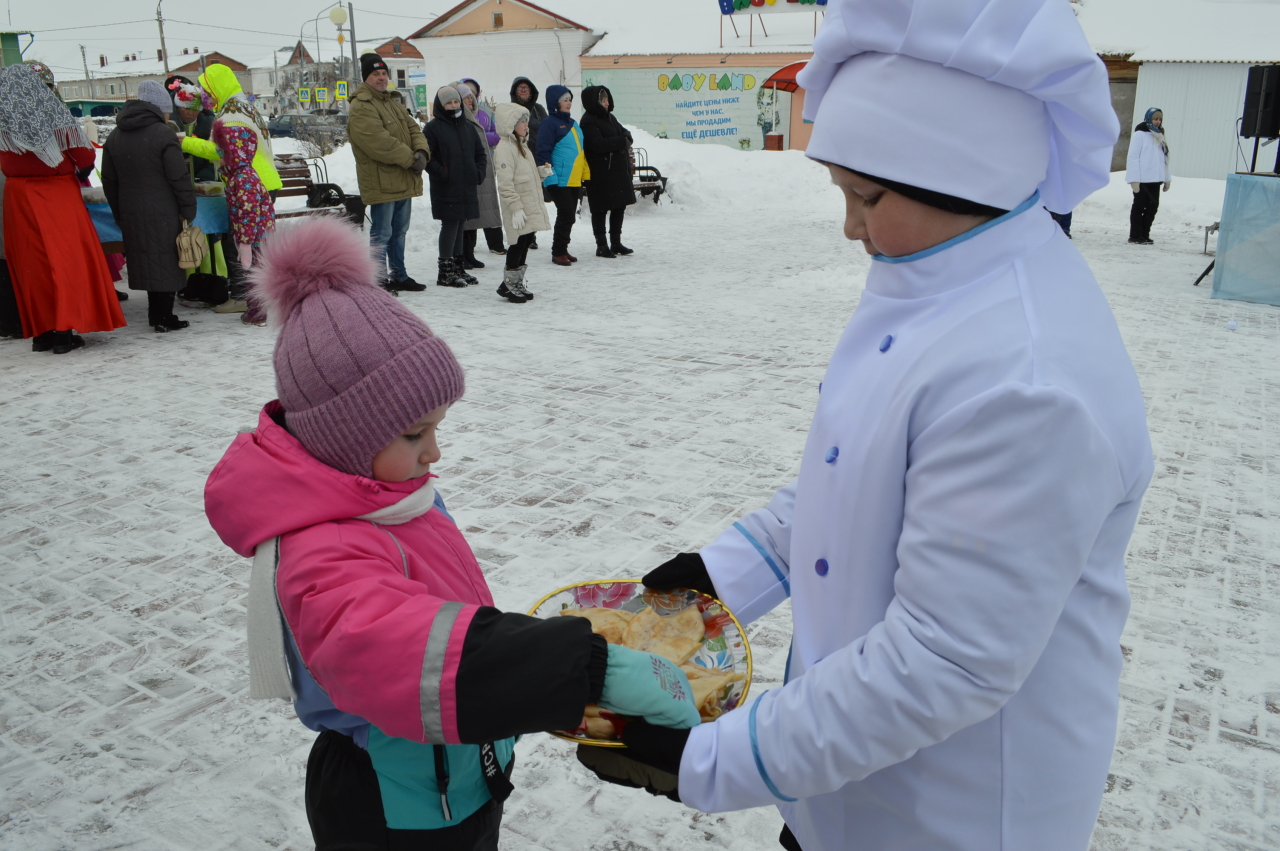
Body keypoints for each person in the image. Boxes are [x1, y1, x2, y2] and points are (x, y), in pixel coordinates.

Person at [576, 3, 1155, 851]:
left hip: (948, 812)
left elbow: (942, 661)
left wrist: (706, 758)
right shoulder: (940, 272)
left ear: (963, 175)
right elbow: (858, 479)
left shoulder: (1028, 382)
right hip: (844, 783)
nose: (850, 224)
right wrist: (725, 570)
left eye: (866, 196)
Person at [204, 215, 701, 851]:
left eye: (437, 427)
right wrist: (581, 668)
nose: (434, 452)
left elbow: (445, 612)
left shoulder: (385, 496)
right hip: (390, 805)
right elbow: (394, 644)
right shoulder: (320, 544)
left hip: (451, 774)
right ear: (342, 439)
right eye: (414, 435)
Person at [0, 62, 124, 354]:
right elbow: (83, 154)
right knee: (65, 262)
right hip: (56, 194)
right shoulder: (49, 112)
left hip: (18, 196)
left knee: (31, 266)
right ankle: (63, 331)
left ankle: (41, 331)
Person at [183, 63, 282, 317]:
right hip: (262, 182)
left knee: (241, 243)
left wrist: (186, 142)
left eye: (206, 88)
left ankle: (243, 297)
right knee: (257, 244)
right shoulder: (243, 105)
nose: (204, 95)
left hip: (247, 183)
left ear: (217, 86)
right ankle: (261, 295)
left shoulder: (231, 115)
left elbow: (218, 150)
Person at [101, 80, 198, 333]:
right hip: (163, 209)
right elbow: (179, 177)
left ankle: (157, 315)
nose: (168, 116)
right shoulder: (162, 133)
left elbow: (109, 180)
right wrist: (188, 208)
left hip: (132, 210)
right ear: (159, 108)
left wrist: (119, 212)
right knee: (165, 261)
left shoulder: (115, 135)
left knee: (149, 260)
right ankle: (163, 316)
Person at [348, 53, 431, 293]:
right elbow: (377, 142)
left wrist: (422, 152)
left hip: (403, 176)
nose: (382, 78)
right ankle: (378, 279)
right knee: (382, 233)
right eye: (376, 74)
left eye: (384, 73)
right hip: (382, 179)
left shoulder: (391, 102)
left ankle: (399, 275)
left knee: (399, 232)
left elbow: (414, 128)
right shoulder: (362, 106)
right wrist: (410, 159)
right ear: (367, 77)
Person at [424, 86, 487, 289]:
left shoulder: (467, 127)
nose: (454, 106)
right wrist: (444, 175)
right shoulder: (433, 128)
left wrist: (478, 173)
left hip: (466, 184)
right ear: (442, 106)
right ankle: (445, 270)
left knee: (461, 223)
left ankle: (458, 267)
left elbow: (480, 153)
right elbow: (428, 157)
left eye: (456, 102)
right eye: (449, 103)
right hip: (446, 186)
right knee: (450, 224)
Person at [212, 118, 275, 315]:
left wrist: (246, 243)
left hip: (255, 238)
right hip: (253, 236)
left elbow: (248, 213)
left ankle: (257, 314)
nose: (218, 155)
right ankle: (257, 310)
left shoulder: (244, 179)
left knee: (252, 276)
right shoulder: (236, 175)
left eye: (222, 151)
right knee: (252, 274)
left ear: (235, 154)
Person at [492, 103, 550, 303]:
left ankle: (515, 282)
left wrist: (541, 173)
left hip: (528, 206)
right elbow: (505, 183)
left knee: (525, 241)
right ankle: (509, 284)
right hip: (518, 208)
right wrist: (515, 208)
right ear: (510, 124)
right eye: (522, 122)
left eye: (526, 121)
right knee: (517, 243)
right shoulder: (505, 148)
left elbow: (526, 175)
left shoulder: (522, 146)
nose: (527, 125)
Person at [579, 86, 636, 258]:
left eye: (606, 100)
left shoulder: (610, 117)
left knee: (619, 206)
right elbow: (598, 144)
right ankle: (602, 245)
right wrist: (621, 141)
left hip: (617, 170)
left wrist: (623, 139)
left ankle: (616, 243)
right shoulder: (588, 120)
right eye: (601, 100)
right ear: (593, 102)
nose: (605, 103)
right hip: (600, 172)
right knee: (600, 209)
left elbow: (626, 133)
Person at [536, 85, 588, 267]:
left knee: (569, 215)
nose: (568, 103)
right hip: (558, 179)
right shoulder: (549, 123)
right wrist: (550, 178)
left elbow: (580, 151)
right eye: (564, 100)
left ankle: (563, 248)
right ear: (555, 103)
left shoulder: (574, 124)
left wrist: (585, 173)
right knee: (566, 214)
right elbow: (543, 152)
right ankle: (557, 252)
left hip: (573, 179)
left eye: (569, 100)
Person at [455, 81, 503, 270]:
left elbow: (496, 134)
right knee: (467, 217)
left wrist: (485, 138)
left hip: (482, 168)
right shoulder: (460, 120)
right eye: (466, 96)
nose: (469, 99)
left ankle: (470, 254)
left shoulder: (483, 114)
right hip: (468, 171)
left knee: (477, 213)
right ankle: (463, 254)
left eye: (471, 96)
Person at [509, 76, 546, 252]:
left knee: (533, 199)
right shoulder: (510, 110)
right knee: (520, 198)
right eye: (520, 88)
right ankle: (521, 233)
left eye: (527, 88)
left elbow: (546, 131)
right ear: (514, 91)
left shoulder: (538, 110)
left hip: (536, 158)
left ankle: (532, 234)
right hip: (517, 159)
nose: (523, 91)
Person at [1125, 107, 1171, 245]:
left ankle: (1144, 234)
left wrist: (1167, 178)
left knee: (1153, 207)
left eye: (1160, 119)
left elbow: (1165, 159)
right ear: (1149, 119)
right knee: (1139, 207)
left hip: (1156, 179)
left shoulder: (1160, 135)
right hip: (1143, 179)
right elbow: (1133, 157)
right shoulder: (1140, 135)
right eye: (1155, 119)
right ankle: (1135, 235)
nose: (1157, 122)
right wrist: (1134, 179)